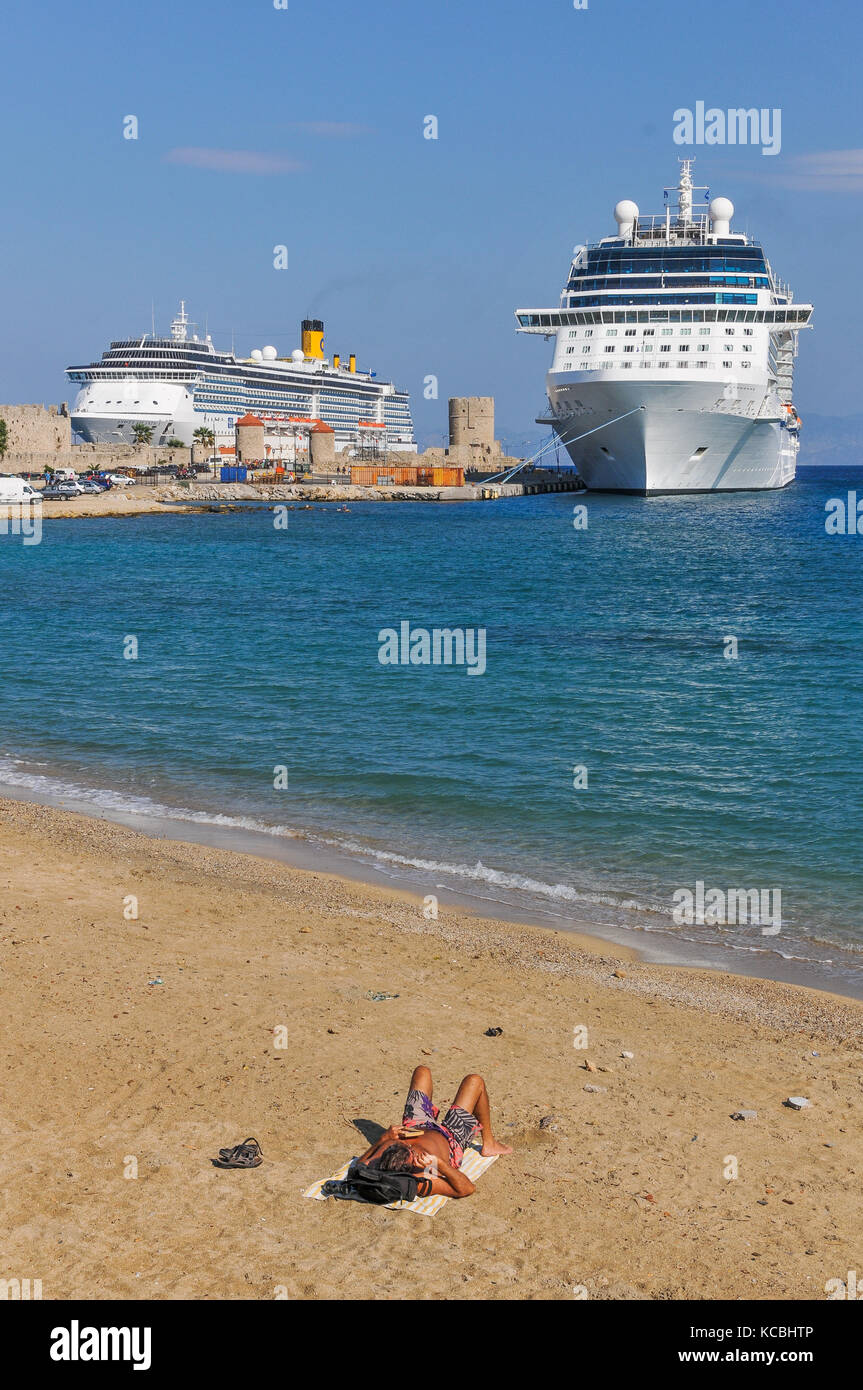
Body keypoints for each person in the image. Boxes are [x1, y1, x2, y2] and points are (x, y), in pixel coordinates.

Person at [356, 1065, 512, 1199]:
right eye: (411, 1152)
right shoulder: (422, 1179)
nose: (410, 1147)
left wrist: (384, 1138)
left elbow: (358, 1167)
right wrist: (440, 1164)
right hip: (451, 1137)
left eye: (405, 1146)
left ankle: (430, 1113)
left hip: (417, 1124)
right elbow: (467, 1189)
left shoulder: (387, 1152)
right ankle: (489, 1143)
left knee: (422, 1071)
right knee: (475, 1081)